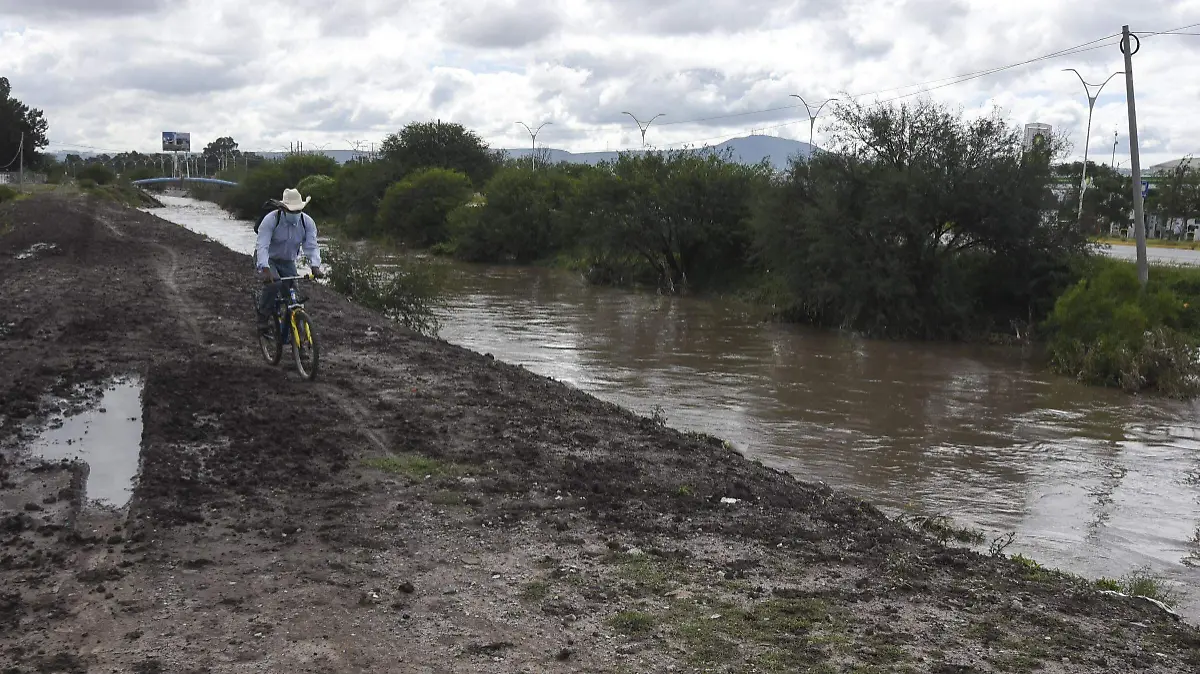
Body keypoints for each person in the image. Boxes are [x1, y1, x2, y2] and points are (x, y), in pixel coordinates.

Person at [255, 187, 324, 330]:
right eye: (292, 211)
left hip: (287, 261)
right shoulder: (271, 220)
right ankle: (263, 316)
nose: (295, 214)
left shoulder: (307, 223)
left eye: (298, 210)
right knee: (274, 285)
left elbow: (311, 246)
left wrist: (315, 265)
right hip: (269, 259)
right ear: (283, 208)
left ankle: (296, 336)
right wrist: (266, 268)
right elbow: (262, 246)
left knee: (293, 296)